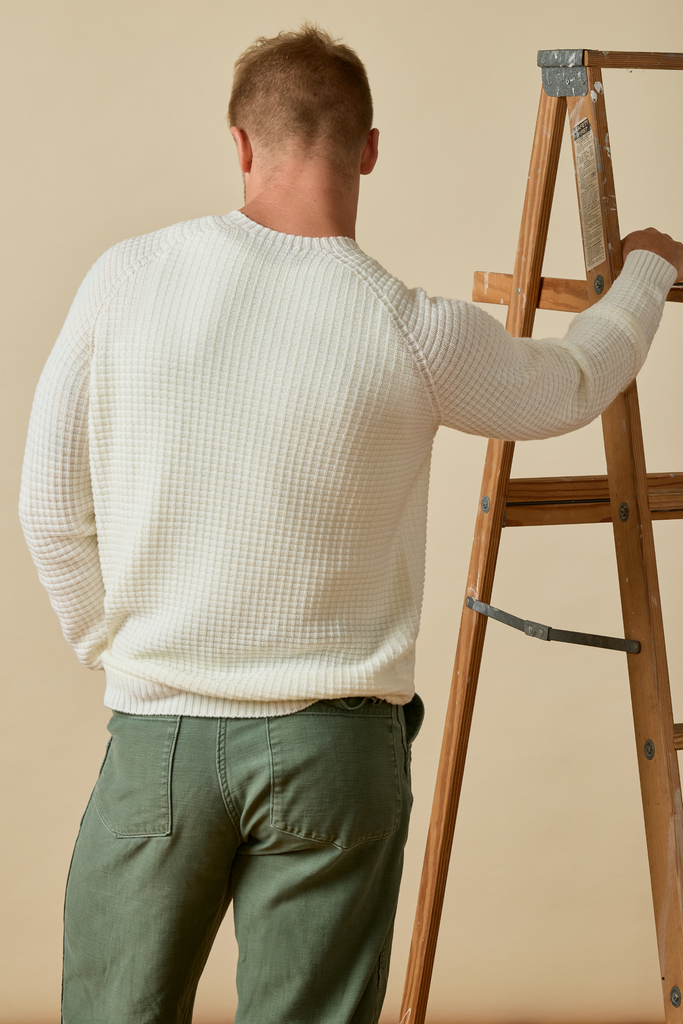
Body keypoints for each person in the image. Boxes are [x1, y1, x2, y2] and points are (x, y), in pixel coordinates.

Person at [19, 23, 683, 1024]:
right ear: (368, 147)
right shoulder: (408, 331)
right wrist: (641, 273)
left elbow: (46, 503)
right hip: (332, 746)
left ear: (240, 144)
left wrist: (109, 644)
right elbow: (569, 383)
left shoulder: (126, 280)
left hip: (158, 734)